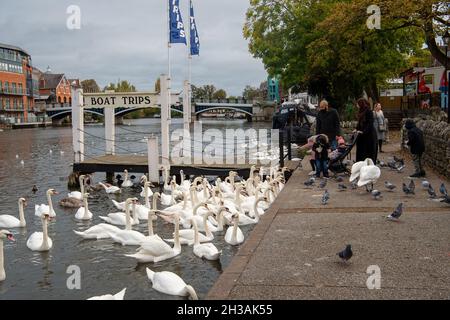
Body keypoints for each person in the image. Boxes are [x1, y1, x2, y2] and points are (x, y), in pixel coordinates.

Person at [354, 98, 377, 162]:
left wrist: (363, 131)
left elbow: (370, 123)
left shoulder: (369, 112)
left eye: (358, 104)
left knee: (368, 152)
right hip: (361, 136)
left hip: (369, 135)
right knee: (361, 152)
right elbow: (359, 122)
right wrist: (356, 129)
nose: (357, 105)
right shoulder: (360, 111)